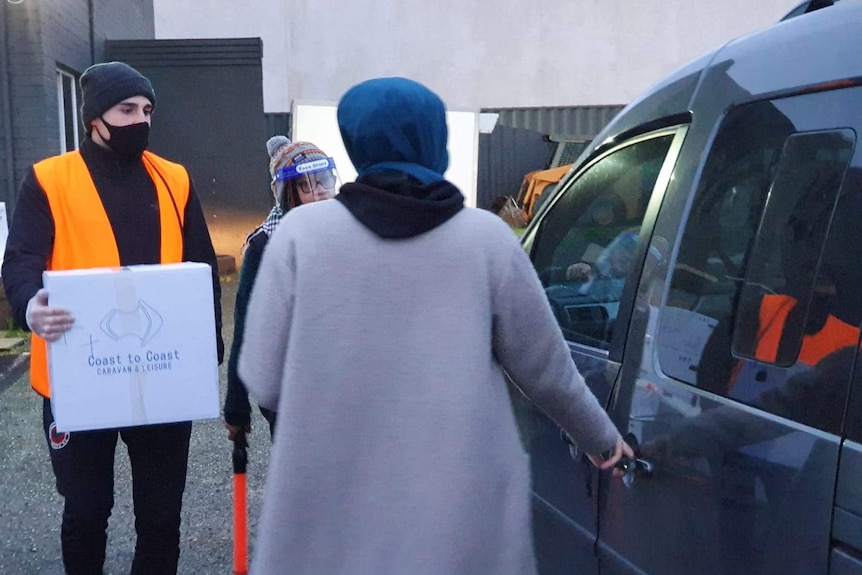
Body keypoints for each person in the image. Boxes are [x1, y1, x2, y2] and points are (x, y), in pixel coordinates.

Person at [237, 77, 632, 574]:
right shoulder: (486, 239)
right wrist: (602, 440)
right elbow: (547, 372)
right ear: (434, 139)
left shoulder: (298, 235)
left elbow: (263, 376)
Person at [1, 61, 224, 575]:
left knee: (163, 515)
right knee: (85, 511)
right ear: (94, 118)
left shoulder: (174, 178)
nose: (140, 120)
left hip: (162, 375)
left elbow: (202, 266)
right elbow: (22, 260)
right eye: (127, 110)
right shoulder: (48, 179)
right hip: (80, 374)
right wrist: (30, 303)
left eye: (147, 110)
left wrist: (203, 352)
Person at [223, 135, 338, 441]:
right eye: (306, 185)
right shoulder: (265, 245)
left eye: (324, 180)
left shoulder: (347, 233)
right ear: (288, 194)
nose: (320, 191)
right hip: (290, 391)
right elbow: (246, 327)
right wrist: (236, 405)